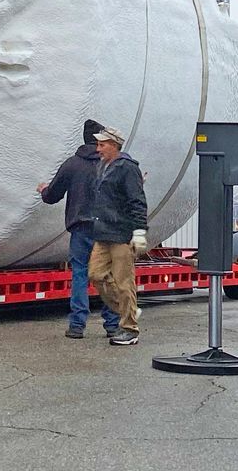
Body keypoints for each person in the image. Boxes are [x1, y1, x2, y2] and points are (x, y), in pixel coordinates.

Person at [39, 119, 116, 339]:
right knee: (107, 276)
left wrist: (44, 190)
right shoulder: (112, 165)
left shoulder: (72, 164)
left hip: (81, 228)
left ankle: (77, 325)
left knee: (80, 274)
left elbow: (53, 196)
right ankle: (111, 325)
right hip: (106, 229)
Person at [82, 127, 149, 346]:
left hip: (121, 234)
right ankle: (128, 310)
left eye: (102, 145)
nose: (98, 149)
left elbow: (137, 201)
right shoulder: (103, 166)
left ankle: (130, 329)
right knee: (96, 274)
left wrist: (139, 232)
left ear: (115, 145)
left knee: (123, 282)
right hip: (103, 233)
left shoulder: (127, 168)